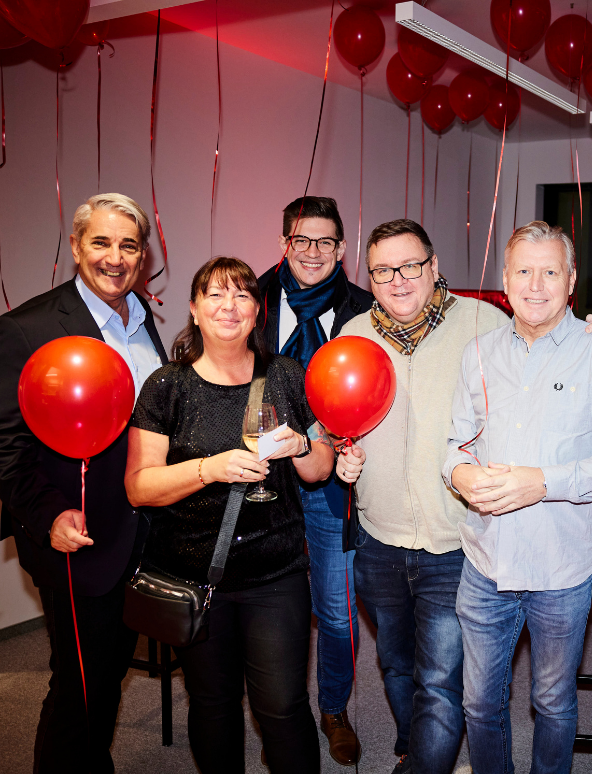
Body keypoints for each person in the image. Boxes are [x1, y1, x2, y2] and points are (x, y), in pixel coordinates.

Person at [341, 218, 592, 774]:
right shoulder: (361, 335)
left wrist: (539, 481)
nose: (398, 279)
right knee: (420, 677)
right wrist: (347, 454)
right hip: (407, 542)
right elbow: (433, 438)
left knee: (470, 688)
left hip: (481, 548)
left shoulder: (494, 327)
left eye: (410, 265)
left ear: (434, 266)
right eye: (383, 271)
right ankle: (415, 750)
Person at [125, 257, 358, 773]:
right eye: (215, 294)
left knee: (283, 707)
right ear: (194, 308)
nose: (228, 306)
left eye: (242, 296)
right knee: (213, 704)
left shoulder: (287, 376)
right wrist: (208, 469)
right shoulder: (167, 386)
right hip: (195, 577)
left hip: (276, 576)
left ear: (257, 311)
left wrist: (301, 445)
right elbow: (139, 486)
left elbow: (320, 470)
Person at [444, 221, 592, 774]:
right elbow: (455, 444)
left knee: (552, 702)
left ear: (570, 280)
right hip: (485, 563)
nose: (535, 284)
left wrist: (542, 483)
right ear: (505, 280)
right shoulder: (478, 353)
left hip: (561, 569)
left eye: (550, 271)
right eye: (523, 271)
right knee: (479, 704)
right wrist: (459, 475)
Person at [0, 193, 167, 773]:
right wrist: (48, 515)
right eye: (101, 242)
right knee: (78, 684)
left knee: (109, 670)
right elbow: (7, 448)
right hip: (77, 538)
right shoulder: (26, 329)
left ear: (142, 256)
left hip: (140, 532)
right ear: (75, 247)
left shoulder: (143, 319)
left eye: (129, 245)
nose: (115, 258)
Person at [257, 195, 373, 765]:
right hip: (261, 482)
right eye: (301, 239)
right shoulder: (248, 299)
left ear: (342, 248)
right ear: (285, 243)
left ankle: (334, 708)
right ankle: (277, 715)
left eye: (325, 241)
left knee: (336, 611)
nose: (312, 252)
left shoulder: (367, 310)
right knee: (268, 608)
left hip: (333, 483)